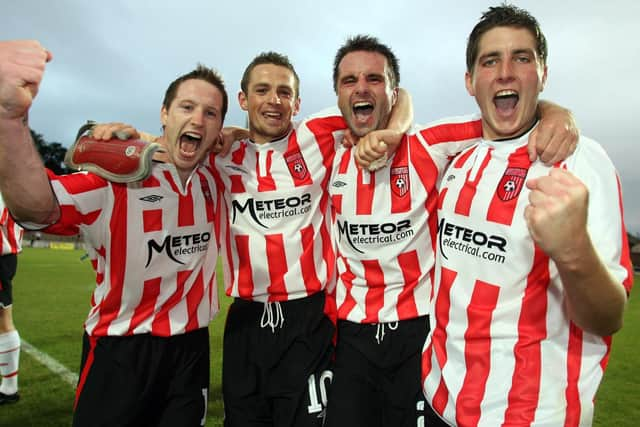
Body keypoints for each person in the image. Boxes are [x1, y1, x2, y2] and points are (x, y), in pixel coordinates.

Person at [421, 5, 634, 426]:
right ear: (470, 81)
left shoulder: (581, 162)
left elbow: (609, 316)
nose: (505, 72)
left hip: (531, 414)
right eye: (490, 61)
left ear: (543, 73)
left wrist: (574, 252)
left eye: (522, 58)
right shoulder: (456, 154)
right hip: (439, 399)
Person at [0, 40, 226, 426]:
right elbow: (38, 209)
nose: (199, 120)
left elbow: (255, 136)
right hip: (120, 351)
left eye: (211, 113)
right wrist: (10, 119)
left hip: (190, 351)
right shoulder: (119, 178)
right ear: (164, 114)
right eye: (187, 107)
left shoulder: (218, 178)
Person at [0, 192, 23, 405]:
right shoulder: (10, 182)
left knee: (3, 322)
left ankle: (9, 389)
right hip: (6, 257)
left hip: (1, 257)